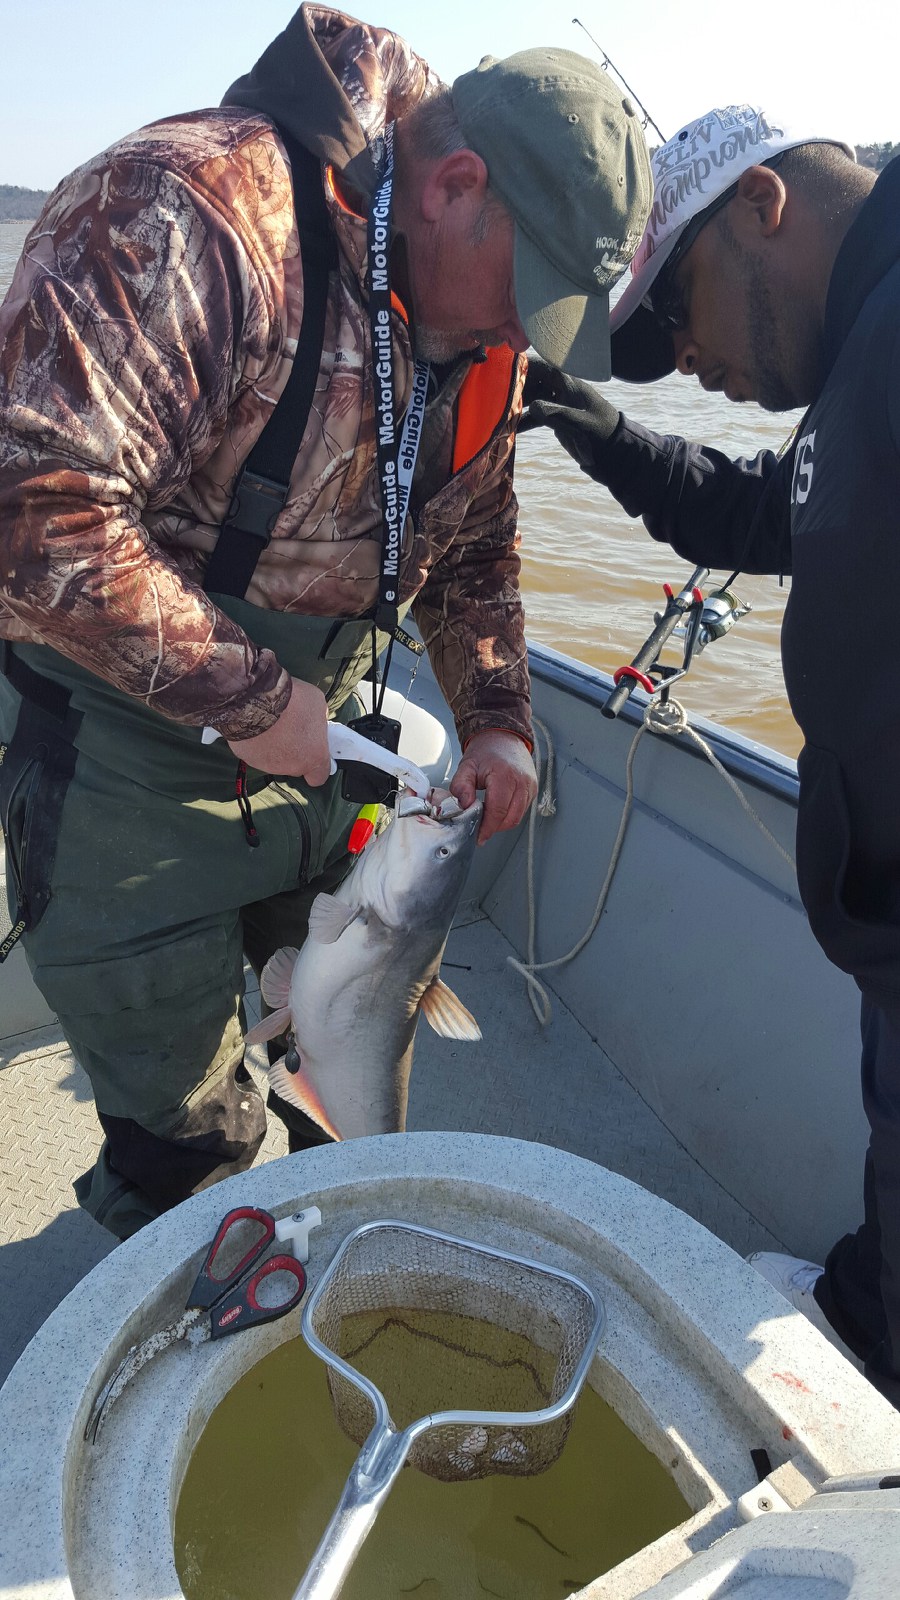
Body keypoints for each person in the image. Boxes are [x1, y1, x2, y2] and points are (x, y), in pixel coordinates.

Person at [0, 7, 651, 1239]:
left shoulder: (479, 334)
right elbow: (33, 501)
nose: (527, 334)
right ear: (460, 186)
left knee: (324, 1013)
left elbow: (475, 548)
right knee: (181, 1133)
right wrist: (250, 700)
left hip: (322, 749)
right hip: (125, 760)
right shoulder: (190, 209)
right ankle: (207, 1246)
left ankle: (308, 1165)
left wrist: (501, 722)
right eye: (533, 292)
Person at [521, 102, 900, 1406]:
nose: (687, 361)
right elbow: (758, 509)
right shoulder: (862, 348)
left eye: (679, 313)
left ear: (760, 203)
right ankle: (868, 1314)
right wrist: (571, 410)